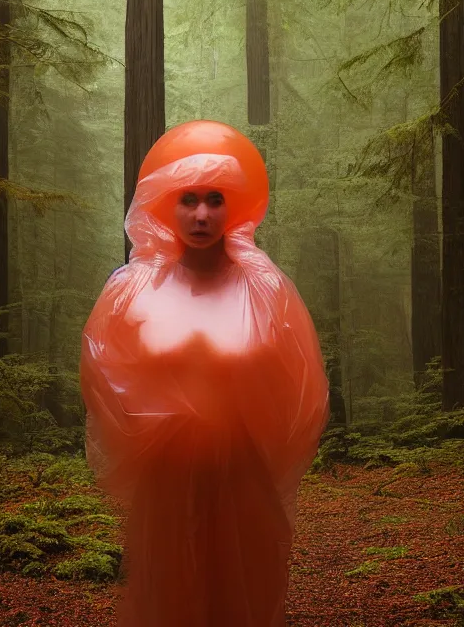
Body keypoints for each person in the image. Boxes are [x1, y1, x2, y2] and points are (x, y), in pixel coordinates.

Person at [80, 120, 330, 627]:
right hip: (165, 486)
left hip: (244, 479)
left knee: (243, 602)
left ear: (233, 205)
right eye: (188, 198)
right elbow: (103, 379)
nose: (201, 214)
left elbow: (301, 389)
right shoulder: (133, 290)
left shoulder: (265, 289)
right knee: (169, 603)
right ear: (166, 205)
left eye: (215, 198)